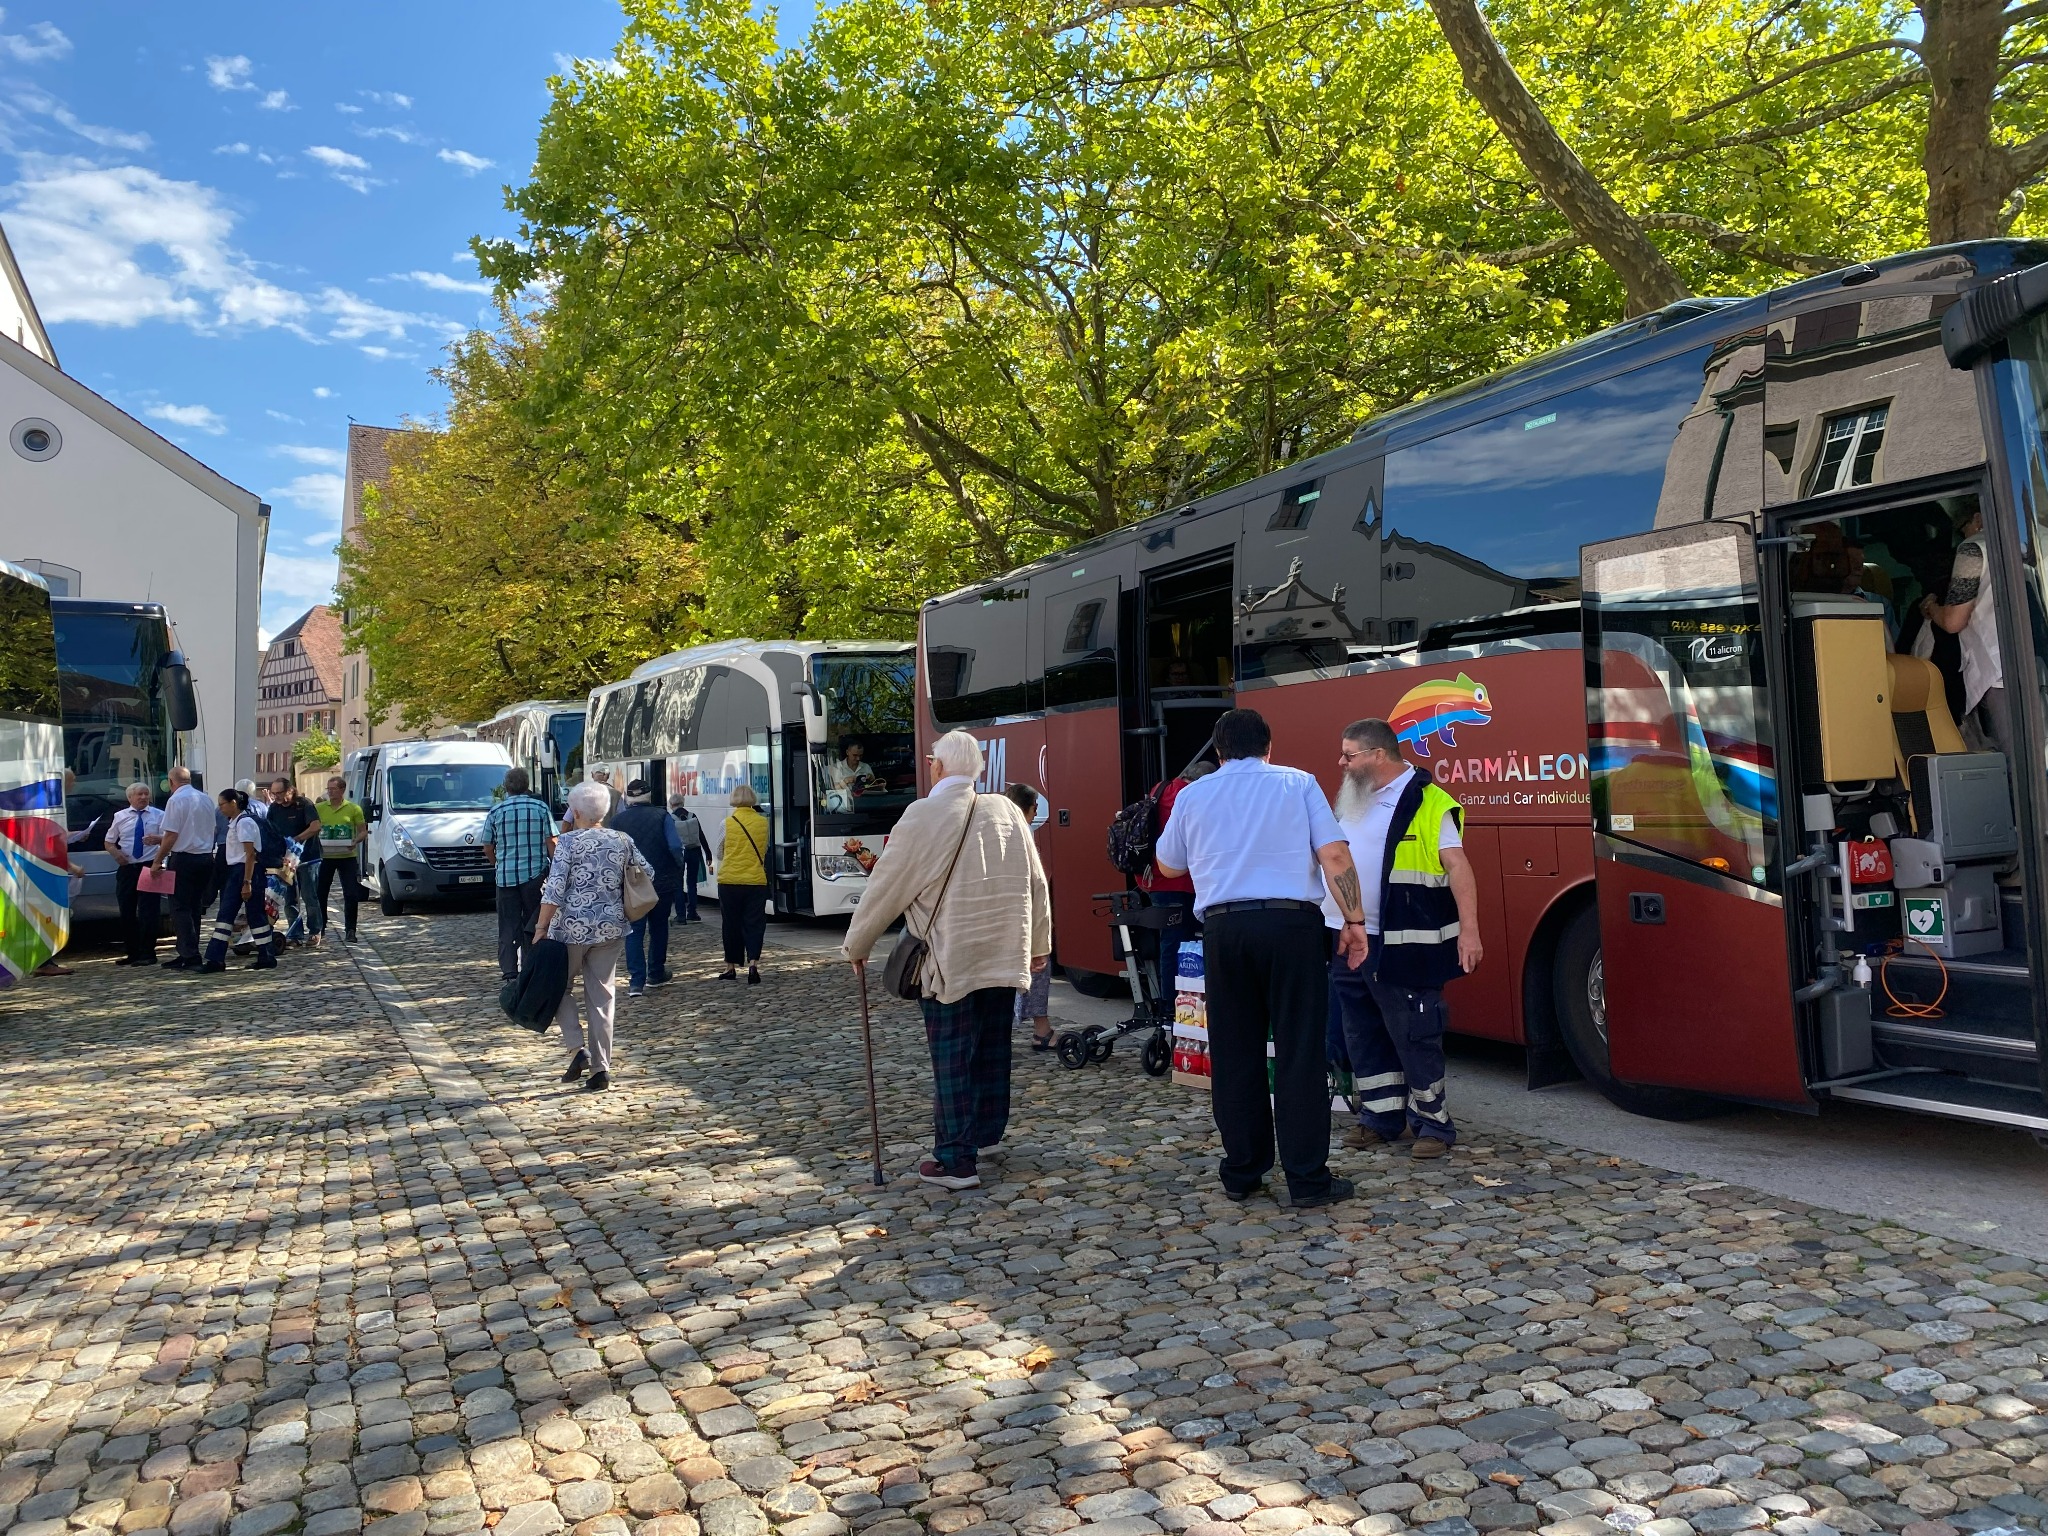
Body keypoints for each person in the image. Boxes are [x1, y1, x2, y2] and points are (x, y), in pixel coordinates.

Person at [1152, 707, 1368, 1208]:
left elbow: (1167, 863)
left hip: (1225, 929)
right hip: (1292, 926)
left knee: (1234, 1053)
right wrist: (1354, 922)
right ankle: (1308, 1180)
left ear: (1219, 751)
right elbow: (1335, 856)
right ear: (1270, 747)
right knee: (1299, 1052)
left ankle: (1243, 1172)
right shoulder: (1298, 784)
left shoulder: (1193, 794)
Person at [843, 731, 1051, 1191]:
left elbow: (886, 888)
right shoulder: (1008, 812)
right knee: (993, 1048)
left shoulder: (923, 814)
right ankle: (986, 1134)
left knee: (953, 1056)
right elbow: (1036, 882)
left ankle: (956, 1160)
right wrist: (1039, 944)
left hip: (949, 954)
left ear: (936, 766)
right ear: (978, 768)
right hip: (1001, 951)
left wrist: (857, 945)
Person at [1322, 719, 1483, 1159]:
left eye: (1349, 755)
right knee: (1362, 1034)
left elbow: (1458, 867)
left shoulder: (1428, 802)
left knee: (1414, 1034)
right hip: (1348, 941)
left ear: (1378, 756)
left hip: (1403, 945)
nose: (1342, 763)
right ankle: (1380, 1118)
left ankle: (1433, 1124)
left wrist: (1470, 930)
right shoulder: (1352, 800)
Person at [534, 780, 655, 1093]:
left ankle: (577, 1049)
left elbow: (555, 889)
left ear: (575, 811)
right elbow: (647, 872)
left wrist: (540, 928)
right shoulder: (622, 840)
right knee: (602, 999)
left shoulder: (569, 843)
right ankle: (601, 1069)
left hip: (570, 929)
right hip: (611, 928)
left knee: (557, 987)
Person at [1921, 507, 2008, 756]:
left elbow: (1953, 621)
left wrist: (1931, 608)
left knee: (2017, 763)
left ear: (1978, 518)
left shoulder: (1973, 548)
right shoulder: (2039, 540)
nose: (1963, 537)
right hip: (2038, 663)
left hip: (2000, 672)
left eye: (1963, 529)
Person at [1139, 756, 1214, 1005]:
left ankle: (1169, 1004)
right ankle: (1187, 1002)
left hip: (1156, 880)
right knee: (1190, 945)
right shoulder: (1195, 797)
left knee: (1170, 944)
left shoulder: (1160, 789)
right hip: (1184, 882)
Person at [482, 767, 556, 982]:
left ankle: (509, 971)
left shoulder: (496, 811)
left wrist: (498, 864)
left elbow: (487, 846)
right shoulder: (540, 808)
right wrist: (556, 868)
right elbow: (552, 841)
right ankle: (531, 966)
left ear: (506, 787)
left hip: (505, 878)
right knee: (534, 922)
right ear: (527, 785)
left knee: (507, 925)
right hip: (535, 877)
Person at [614, 778, 685, 996]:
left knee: (634, 932)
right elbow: (674, 845)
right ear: (649, 795)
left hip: (632, 884)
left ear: (628, 797)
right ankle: (655, 972)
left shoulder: (618, 821)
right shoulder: (662, 816)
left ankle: (636, 981)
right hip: (661, 881)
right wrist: (678, 869)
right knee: (659, 927)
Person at [199, 788, 276, 973]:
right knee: (251, 915)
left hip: (245, 872)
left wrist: (246, 882)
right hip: (240, 872)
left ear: (234, 802)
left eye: (222, 804)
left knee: (229, 914)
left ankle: (216, 959)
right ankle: (266, 955)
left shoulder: (244, 823)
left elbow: (250, 854)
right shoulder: (235, 822)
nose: (220, 808)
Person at [152, 766, 218, 970]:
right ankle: (188, 951)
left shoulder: (176, 800)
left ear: (171, 783)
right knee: (195, 907)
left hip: (184, 859)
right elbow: (211, 828)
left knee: (180, 908)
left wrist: (157, 860)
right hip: (205, 857)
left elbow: (172, 834)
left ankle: (189, 954)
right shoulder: (205, 798)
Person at [1005, 783, 1054, 1051]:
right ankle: (1041, 1030)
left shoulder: (1001, 832)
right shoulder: (1021, 835)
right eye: (1035, 807)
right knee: (1036, 972)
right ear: (1030, 807)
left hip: (1006, 919)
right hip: (1021, 919)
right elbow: (1035, 886)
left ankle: (1039, 1029)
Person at [715, 784, 772, 984]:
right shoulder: (763, 823)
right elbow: (764, 849)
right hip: (756, 880)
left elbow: (720, 853)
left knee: (730, 924)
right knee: (755, 923)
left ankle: (730, 966)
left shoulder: (727, 823)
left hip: (730, 881)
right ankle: (753, 965)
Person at [105, 782, 165, 967]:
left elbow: (171, 839)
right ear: (130, 797)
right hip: (127, 868)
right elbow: (109, 841)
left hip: (150, 867)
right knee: (127, 911)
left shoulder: (159, 815)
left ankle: (148, 953)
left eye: (146, 794)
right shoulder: (120, 816)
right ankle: (132, 952)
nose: (143, 797)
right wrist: (116, 854)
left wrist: (159, 839)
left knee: (149, 912)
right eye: (139, 794)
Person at [266, 777, 322, 946]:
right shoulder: (274, 808)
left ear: (289, 790)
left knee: (309, 895)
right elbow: (270, 830)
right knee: (290, 898)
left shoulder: (304, 804)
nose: (276, 796)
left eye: (280, 793)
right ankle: (295, 934)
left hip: (308, 858)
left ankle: (315, 931)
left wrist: (296, 839)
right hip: (286, 861)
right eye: (273, 793)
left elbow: (315, 826)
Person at [315, 775, 366, 943]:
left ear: (342, 790)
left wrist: (356, 841)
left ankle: (350, 929)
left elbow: (363, 831)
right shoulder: (320, 808)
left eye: (333, 789)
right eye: (328, 789)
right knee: (321, 893)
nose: (330, 792)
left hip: (347, 856)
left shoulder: (354, 809)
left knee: (351, 894)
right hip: (325, 857)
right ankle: (320, 927)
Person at [670, 796, 709, 922]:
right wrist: (708, 853)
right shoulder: (692, 815)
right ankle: (692, 912)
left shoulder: (670, 818)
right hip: (694, 851)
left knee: (678, 884)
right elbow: (701, 834)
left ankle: (681, 915)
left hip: (679, 853)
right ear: (683, 803)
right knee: (692, 883)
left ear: (671, 804)